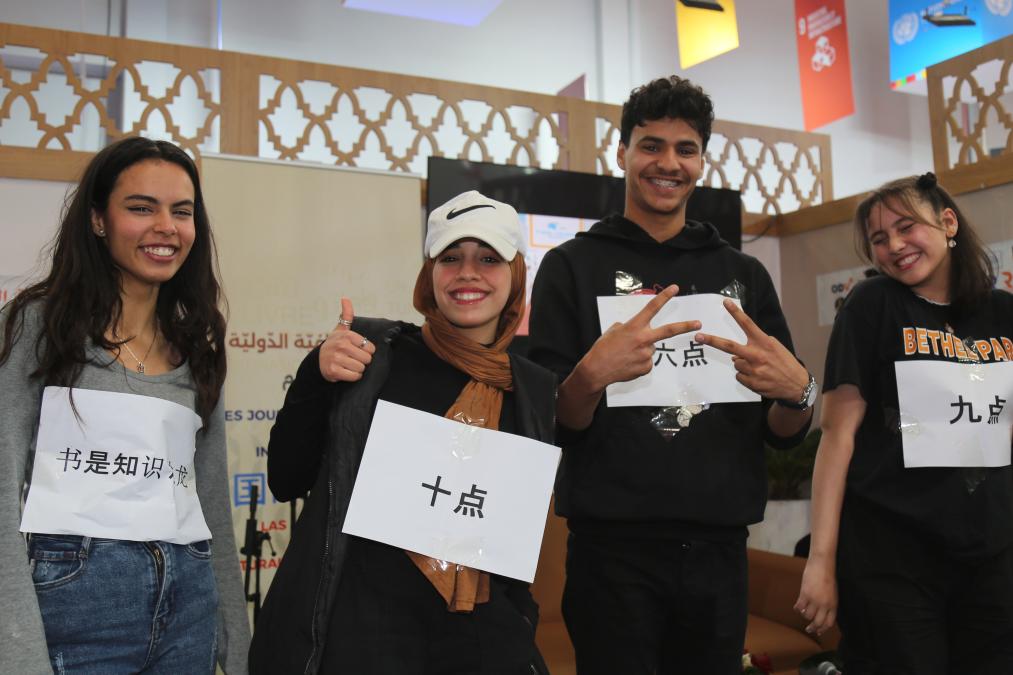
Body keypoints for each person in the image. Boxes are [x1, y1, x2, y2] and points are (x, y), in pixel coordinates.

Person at [528, 76, 815, 675]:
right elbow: (555, 421)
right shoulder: (569, 267)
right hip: (610, 553)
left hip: (720, 551)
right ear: (622, 153)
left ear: (702, 161)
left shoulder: (745, 275)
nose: (668, 163)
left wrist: (800, 394)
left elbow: (782, 428)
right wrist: (589, 376)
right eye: (650, 145)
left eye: (685, 149)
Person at [249, 190, 557, 674]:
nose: (468, 273)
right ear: (428, 274)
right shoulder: (372, 356)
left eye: (489, 259)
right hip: (366, 643)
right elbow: (287, 478)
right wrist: (315, 373)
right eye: (450, 258)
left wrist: (521, 622)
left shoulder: (534, 389)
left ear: (516, 275)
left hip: (478, 645)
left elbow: (513, 543)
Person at [0, 137, 250, 673]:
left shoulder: (197, 345)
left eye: (181, 211)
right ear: (98, 220)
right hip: (75, 610)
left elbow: (210, 504)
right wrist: (17, 652)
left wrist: (237, 646)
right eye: (141, 208)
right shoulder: (37, 328)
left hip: (188, 609)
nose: (166, 227)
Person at [795, 173, 1013, 675]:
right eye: (879, 238)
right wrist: (820, 562)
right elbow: (837, 435)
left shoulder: (1002, 313)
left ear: (948, 223)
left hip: (991, 553)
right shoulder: (871, 306)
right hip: (891, 558)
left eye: (906, 227)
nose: (894, 245)